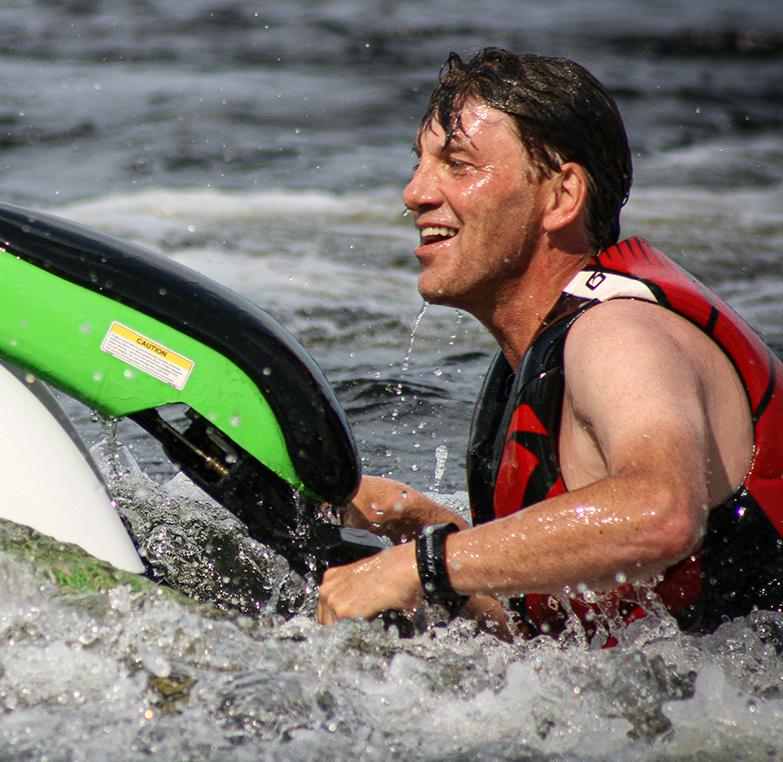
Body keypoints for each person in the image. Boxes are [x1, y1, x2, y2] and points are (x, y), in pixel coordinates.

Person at [316, 48, 783, 638]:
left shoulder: (618, 334)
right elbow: (544, 637)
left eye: (458, 164)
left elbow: (661, 514)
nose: (414, 193)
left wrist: (423, 565)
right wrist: (415, 523)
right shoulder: (538, 354)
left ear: (562, 197)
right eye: (420, 163)